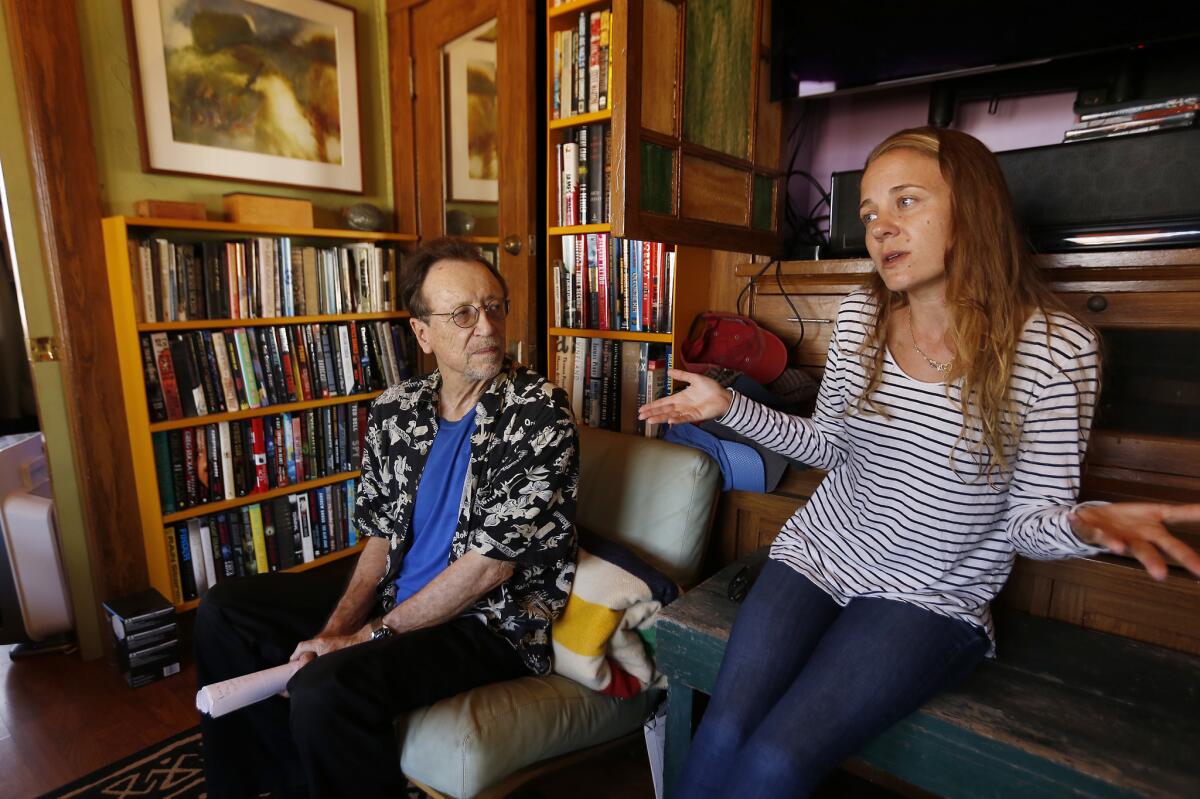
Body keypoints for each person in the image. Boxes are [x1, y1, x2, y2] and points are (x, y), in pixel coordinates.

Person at [639, 127, 1200, 798]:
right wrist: (728, 405)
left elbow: (1029, 524)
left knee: (775, 761)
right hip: (823, 550)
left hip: (931, 593)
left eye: (906, 201)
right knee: (724, 727)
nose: (881, 229)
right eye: (870, 213)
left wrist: (1090, 524)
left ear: (973, 207)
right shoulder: (859, 320)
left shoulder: (1057, 349)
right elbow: (830, 447)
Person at [195, 237, 579, 798]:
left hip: (488, 621)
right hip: (397, 592)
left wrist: (363, 639)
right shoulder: (396, 410)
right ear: (423, 333)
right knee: (225, 611)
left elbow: (490, 569)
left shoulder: (540, 410)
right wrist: (334, 628)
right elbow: (379, 538)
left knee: (328, 685)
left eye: (494, 306)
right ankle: (273, 781)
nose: (488, 327)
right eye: (463, 314)